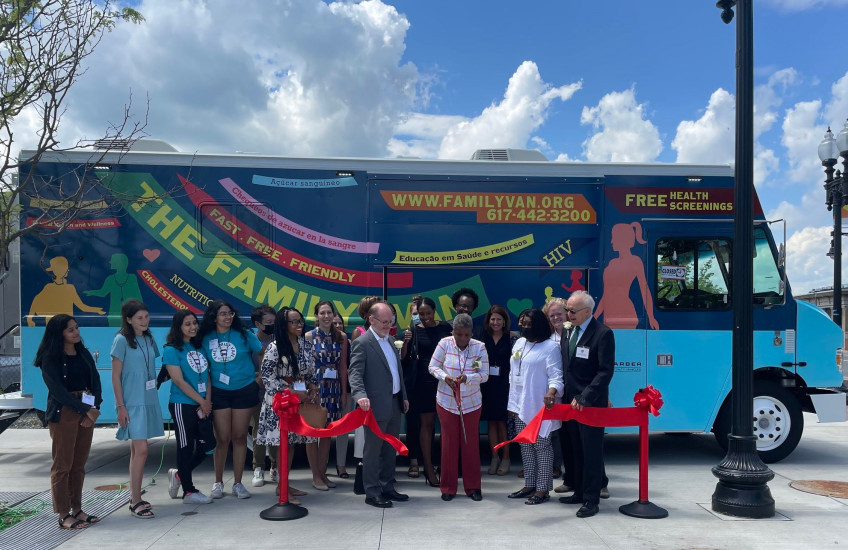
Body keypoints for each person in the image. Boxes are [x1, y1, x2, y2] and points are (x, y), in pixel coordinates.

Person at [34, 314, 102, 530]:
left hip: (86, 409)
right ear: (59, 333)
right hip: (64, 411)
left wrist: (95, 407)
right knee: (63, 465)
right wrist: (85, 410)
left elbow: (95, 379)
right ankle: (64, 514)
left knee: (79, 465)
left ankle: (78, 509)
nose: (76, 332)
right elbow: (57, 391)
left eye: (76, 327)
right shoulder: (50, 358)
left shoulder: (82, 352)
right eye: (70, 329)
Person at [256, 307, 321, 503]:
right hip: (281, 403)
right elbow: (267, 379)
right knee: (283, 444)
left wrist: (311, 386)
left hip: (298, 400)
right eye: (294, 322)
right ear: (284, 325)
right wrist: (292, 392)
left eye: (300, 320)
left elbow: (310, 372)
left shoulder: (305, 345)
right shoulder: (275, 348)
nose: (299, 325)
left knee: (291, 445)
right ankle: (283, 489)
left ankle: (282, 485)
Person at [558, 290, 615, 518]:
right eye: (567, 310)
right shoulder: (568, 331)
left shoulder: (603, 334)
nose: (568, 315)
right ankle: (579, 492)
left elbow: (605, 371)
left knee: (591, 452)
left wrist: (586, 396)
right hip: (569, 403)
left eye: (572, 311)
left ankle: (592, 499)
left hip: (589, 404)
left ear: (588, 312)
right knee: (575, 449)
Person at [199, 300, 263, 500]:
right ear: (214, 317)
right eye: (222, 314)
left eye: (230, 313)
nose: (227, 317)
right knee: (222, 439)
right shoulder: (205, 337)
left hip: (244, 390)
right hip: (219, 392)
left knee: (240, 437)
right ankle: (218, 482)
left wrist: (259, 376)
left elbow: (262, 352)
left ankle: (238, 483)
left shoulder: (244, 334)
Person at [348, 301, 410, 508]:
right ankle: (372, 491)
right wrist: (360, 395)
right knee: (373, 450)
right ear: (371, 320)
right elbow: (355, 373)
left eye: (390, 321)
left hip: (393, 403)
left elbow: (397, 372)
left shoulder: (391, 340)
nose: (388, 325)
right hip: (373, 405)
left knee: (390, 447)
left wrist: (404, 396)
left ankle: (387, 486)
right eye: (384, 322)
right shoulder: (363, 343)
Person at [111, 299, 164, 518]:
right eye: (139, 318)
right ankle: (135, 500)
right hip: (132, 401)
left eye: (146, 316)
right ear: (129, 319)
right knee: (141, 450)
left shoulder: (149, 338)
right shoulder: (121, 340)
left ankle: (135, 496)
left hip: (149, 397)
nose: (144, 321)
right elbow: (115, 376)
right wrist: (120, 406)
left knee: (137, 450)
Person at [428, 313, 489, 501]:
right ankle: (448, 487)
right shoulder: (444, 344)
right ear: (453, 331)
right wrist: (445, 377)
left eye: (467, 335)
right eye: (459, 334)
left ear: (471, 333)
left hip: (471, 403)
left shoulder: (479, 348)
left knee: (470, 444)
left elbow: (484, 374)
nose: (463, 339)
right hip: (446, 402)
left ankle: (473, 487)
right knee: (448, 444)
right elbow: (432, 367)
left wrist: (467, 378)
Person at [506, 308, 563, 505]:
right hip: (520, 404)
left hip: (540, 405)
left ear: (538, 325)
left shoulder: (550, 347)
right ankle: (529, 484)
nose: (523, 327)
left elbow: (557, 376)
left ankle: (542, 490)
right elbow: (513, 376)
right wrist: (512, 404)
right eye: (521, 323)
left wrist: (551, 392)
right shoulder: (520, 343)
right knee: (525, 445)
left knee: (542, 447)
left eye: (528, 324)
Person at [163, 310, 214, 504]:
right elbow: (179, 381)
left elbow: (207, 376)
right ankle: (189, 492)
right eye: (187, 324)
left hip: (202, 404)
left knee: (207, 447)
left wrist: (207, 401)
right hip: (182, 405)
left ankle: (179, 475)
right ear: (178, 327)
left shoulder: (199, 347)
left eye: (194, 323)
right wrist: (201, 402)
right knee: (185, 447)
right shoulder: (171, 350)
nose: (193, 327)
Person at [404, 296, 451, 487]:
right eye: (421, 314)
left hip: (446, 381)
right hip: (423, 382)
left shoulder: (445, 328)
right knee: (427, 424)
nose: (424, 318)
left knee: (447, 425)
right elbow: (404, 359)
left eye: (428, 313)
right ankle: (428, 467)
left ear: (435, 311)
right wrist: (405, 343)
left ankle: (447, 466)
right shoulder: (412, 331)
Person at [306, 301, 349, 484]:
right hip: (315, 389)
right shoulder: (308, 336)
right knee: (312, 433)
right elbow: (305, 366)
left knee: (327, 432)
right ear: (316, 316)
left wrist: (343, 393)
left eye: (329, 312)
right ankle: (315, 475)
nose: (326, 316)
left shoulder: (341, 337)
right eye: (322, 313)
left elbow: (343, 366)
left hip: (333, 389)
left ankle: (323, 473)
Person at [595, 222, 659, 330]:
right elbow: (606, 295)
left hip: (624, 313)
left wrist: (651, 317)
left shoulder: (636, 261)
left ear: (622, 239)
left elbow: (645, 290)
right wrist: (594, 318)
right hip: (609, 315)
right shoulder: (612, 263)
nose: (611, 241)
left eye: (613, 238)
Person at [480, 305, 517, 476]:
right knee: (491, 423)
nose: (495, 322)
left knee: (503, 424)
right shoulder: (482, 338)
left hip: (505, 385)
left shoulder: (512, 338)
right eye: (493, 319)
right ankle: (494, 457)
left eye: (499, 320)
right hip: (487, 385)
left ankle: (506, 458)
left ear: (504, 322)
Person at [250, 304, 278, 488]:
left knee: (276, 430)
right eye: (268, 323)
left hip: (276, 394)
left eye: (273, 322)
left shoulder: (279, 340)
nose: (271, 326)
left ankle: (275, 466)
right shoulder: (251, 342)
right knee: (258, 431)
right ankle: (258, 467)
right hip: (257, 392)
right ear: (258, 324)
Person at [543, 297, 568, 484]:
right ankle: (556, 465)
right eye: (552, 315)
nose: (556, 318)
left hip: (575, 391)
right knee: (556, 431)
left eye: (559, 313)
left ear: (567, 313)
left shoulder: (575, 334)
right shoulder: (547, 338)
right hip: (556, 391)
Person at [400, 295, 422, 479]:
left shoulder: (436, 331)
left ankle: (430, 461)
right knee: (412, 425)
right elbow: (401, 360)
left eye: (421, 314)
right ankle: (413, 460)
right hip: (412, 385)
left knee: (428, 425)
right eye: (415, 314)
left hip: (431, 385)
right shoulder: (405, 334)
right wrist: (406, 341)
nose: (418, 317)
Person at [332, 312, 353, 478]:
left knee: (343, 430)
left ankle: (341, 465)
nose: (338, 326)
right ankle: (320, 467)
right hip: (324, 391)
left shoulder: (348, 342)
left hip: (344, 390)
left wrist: (344, 391)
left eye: (340, 323)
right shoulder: (318, 340)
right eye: (335, 323)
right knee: (322, 430)